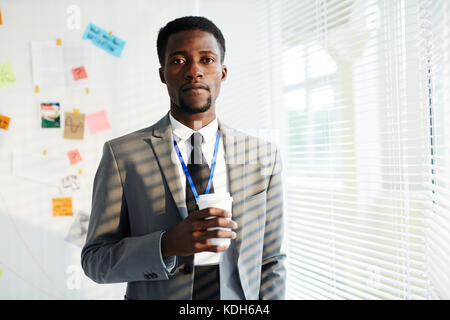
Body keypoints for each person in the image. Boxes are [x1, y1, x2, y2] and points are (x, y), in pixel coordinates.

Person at [81, 16, 286, 300]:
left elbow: (272, 260)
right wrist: (165, 246)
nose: (194, 71)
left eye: (207, 60)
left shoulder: (263, 156)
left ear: (223, 72)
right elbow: (95, 261)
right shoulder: (122, 155)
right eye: (178, 60)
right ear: (163, 73)